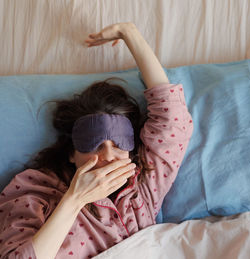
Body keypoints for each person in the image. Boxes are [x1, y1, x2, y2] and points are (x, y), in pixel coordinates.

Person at [0, 22, 193, 259]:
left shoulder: (142, 190)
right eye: (95, 144)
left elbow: (172, 120)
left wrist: (130, 34)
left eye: (119, 144)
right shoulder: (36, 192)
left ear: (132, 152)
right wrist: (75, 199)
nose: (109, 156)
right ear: (72, 153)